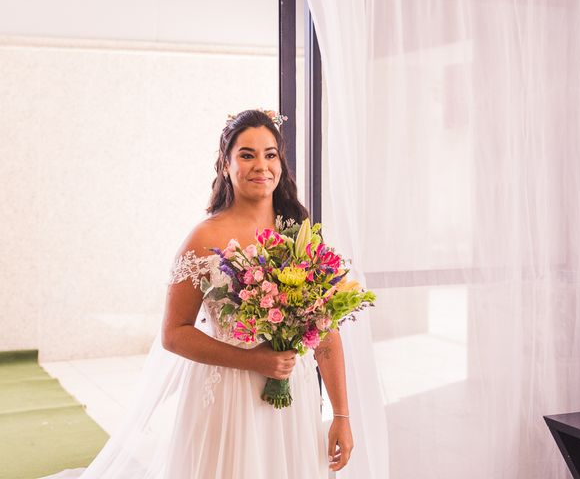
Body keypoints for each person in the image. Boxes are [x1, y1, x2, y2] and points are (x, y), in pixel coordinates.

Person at [42, 109, 353, 478]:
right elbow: (174, 334)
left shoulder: (300, 232)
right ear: (225, 164)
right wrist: (255, 361)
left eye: (270, 154)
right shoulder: (205, 238)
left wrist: (341, 413)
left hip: (294, 395)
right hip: (229, 398)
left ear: (281, 164)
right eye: (247, 154)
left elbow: (325, 328)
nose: (261, 166)